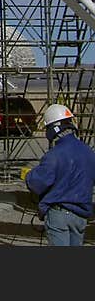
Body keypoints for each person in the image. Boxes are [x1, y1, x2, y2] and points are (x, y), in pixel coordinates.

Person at [24, 103, 95, 246]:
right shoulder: (89, 152)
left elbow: (37, 184)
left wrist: (28, 175)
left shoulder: (54, 155)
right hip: (81, 216)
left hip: (59, 214)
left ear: (52, 129)